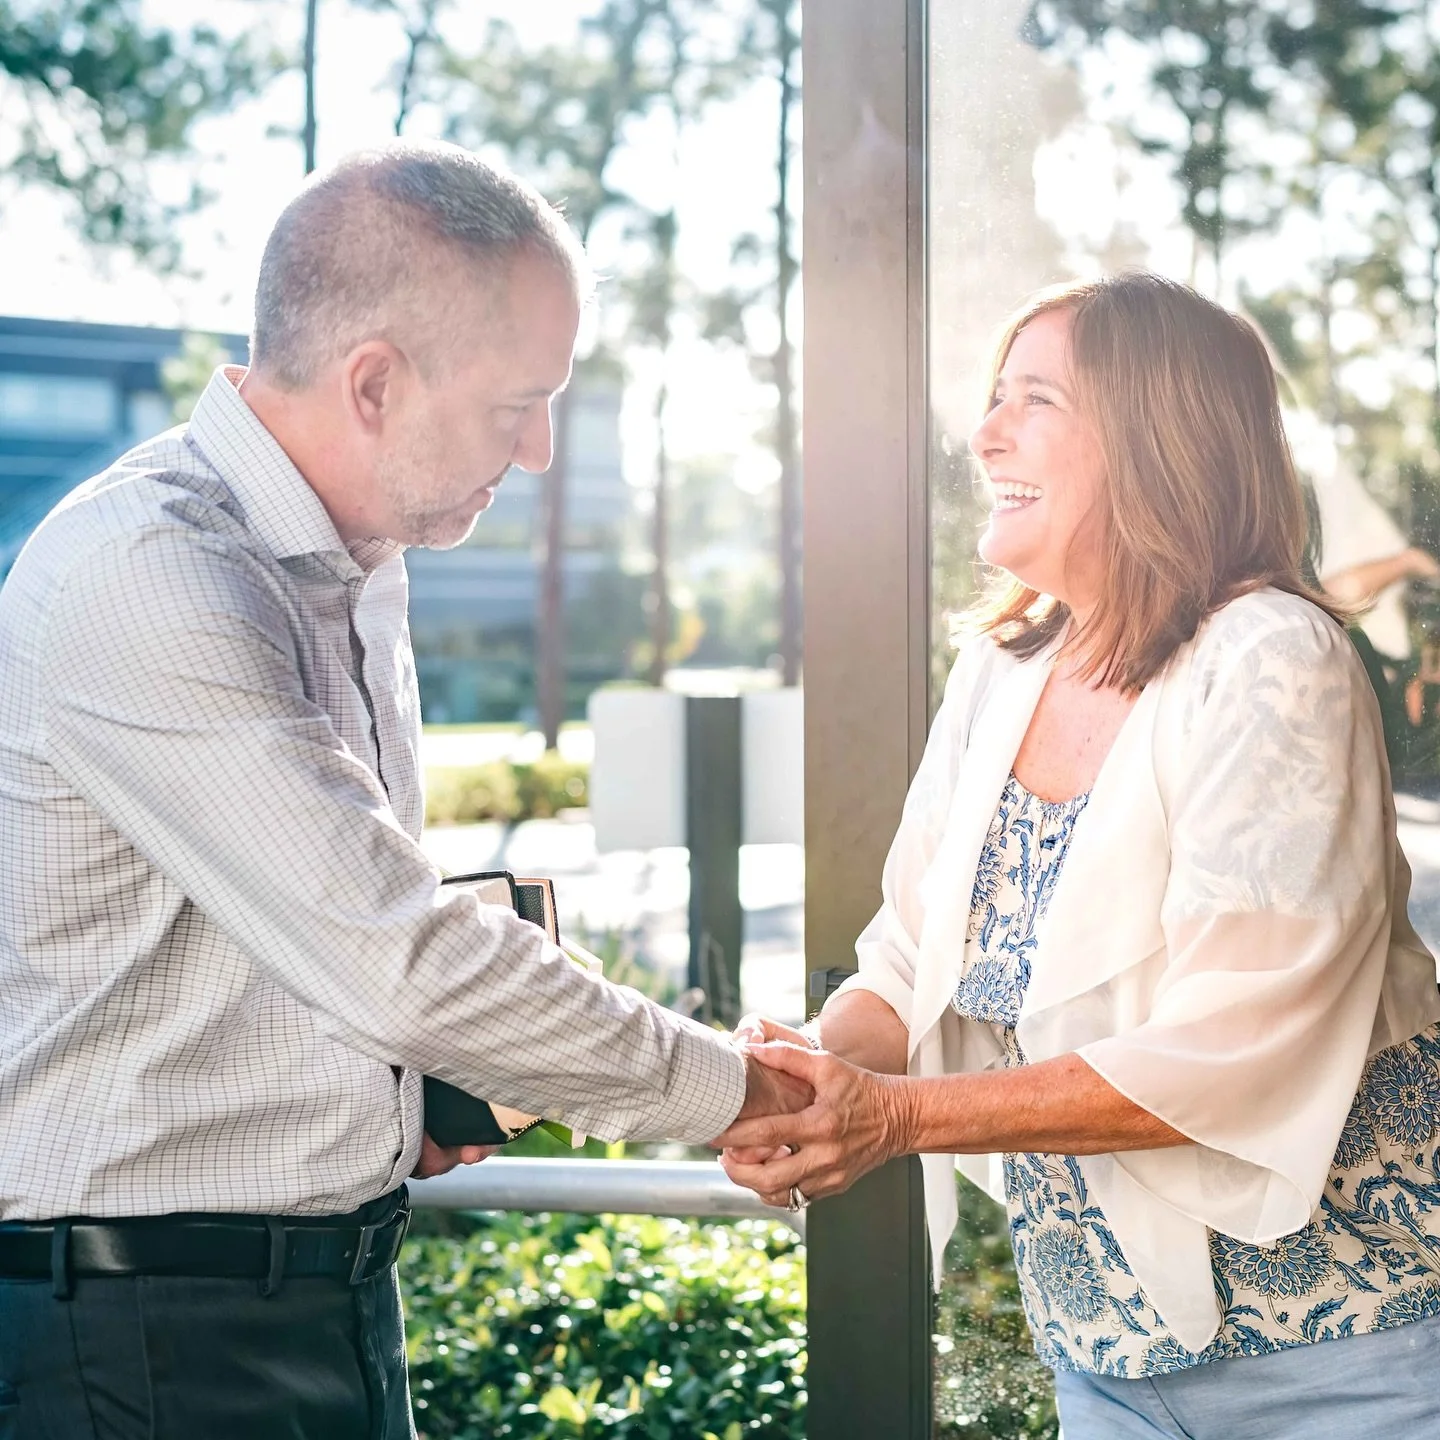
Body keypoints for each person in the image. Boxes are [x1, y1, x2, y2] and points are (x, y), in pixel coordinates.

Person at [0, 141, 807, 1440]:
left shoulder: (355, 562)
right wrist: (748, 1092)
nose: (540, 451)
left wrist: (389, 1094)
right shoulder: (152, 572)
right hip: (144, 1337)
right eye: (516, 406)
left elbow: (315, 931)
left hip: (320, 1298)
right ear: (374, 382)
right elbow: (402, 958)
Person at [720, 272, 1440, 1437]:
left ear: (1159, 437)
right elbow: (907, 960)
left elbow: (1229, 1048)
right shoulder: (1002, 669)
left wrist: (892, 1117)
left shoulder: (1271, 655)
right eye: (994, 396)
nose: (986, 433)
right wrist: (802, 1071)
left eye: (1036, 399)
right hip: (1100, 1350)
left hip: (1349, 1350)